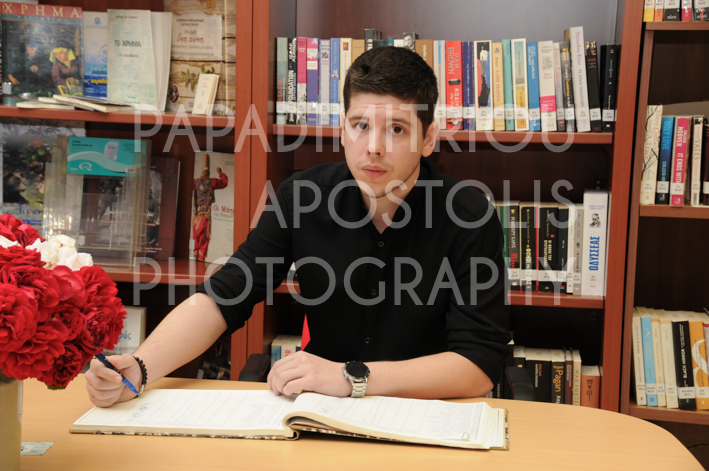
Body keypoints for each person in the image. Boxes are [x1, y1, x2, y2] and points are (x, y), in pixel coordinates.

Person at [85, 46, 510, 408]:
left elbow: (478, 365)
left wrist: (350, 377)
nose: (374, 147)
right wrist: (139, 368)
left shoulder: (468, 215)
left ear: (429, 138)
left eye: (396, 129)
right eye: (360, 125)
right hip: (320, 414)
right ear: (342, 129)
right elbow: (226, 294)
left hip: (428, 419)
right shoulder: (303, 196)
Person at [191, 154, 229, 261]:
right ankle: (200, 260)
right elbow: (224, 182)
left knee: (196, 238)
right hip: (205, 216)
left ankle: (194, 257)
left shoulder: (196, 182)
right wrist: (220, 173)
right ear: (208, 172)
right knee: (204, 239)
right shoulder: (211, 182)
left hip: (196, 217)